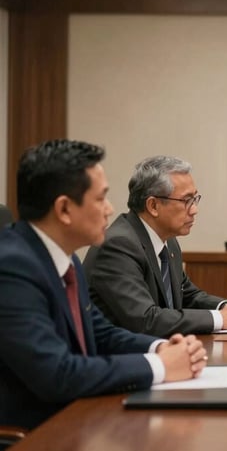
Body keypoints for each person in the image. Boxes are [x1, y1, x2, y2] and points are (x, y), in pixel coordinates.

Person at [0, 140, 207, 430]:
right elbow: (57, 374)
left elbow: (101, 333)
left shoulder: (65, 259)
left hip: (81, 415)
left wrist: (161, 348)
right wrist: (160, 367)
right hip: (39, 431)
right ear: (64, 209)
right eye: (100, 199)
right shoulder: (12, 268)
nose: (110, 209)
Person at [84, 155, 227, 337]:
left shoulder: (168, 242)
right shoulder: (118, 246)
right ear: (153, 206)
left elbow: (187, 296)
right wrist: (221, 319)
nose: (194, 210)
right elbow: (146, 320)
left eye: (195, 199)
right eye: (186, 201)